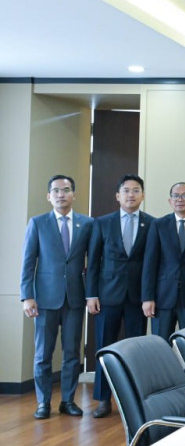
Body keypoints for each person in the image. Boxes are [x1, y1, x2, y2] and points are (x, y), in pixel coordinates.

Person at [20, 175, 94, 420]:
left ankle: (68, 401)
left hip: (75, 298)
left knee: (72, 353)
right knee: (43, 354)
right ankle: (43, 403)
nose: (61, 194)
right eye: (56, 191)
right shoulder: (38, 223)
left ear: (74, 194)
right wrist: (27, 296)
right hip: (44, 299)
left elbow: (93, 263)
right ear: (48, 196)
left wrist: (91, 293)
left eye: (66, 190)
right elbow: (28, 262)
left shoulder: (87, 224)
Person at [87, 174, 153, 418]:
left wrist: (149, 296)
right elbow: (93, 262)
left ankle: (135, 400)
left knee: (136, 350)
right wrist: (91, 294)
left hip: (138, 298)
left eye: (136, 190)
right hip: (107, 296)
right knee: (105, 348)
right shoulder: (102, 223)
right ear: (118, 196)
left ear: (142, 195)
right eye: (126, 190)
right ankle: (103, 399)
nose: (131, 194)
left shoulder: (151, 224)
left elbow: (152, 263)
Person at [141, 182, 185, 342]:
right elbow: (150, 263)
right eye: (175, 196)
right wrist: (147, 298)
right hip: (162, 297)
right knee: (160, 344)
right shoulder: (158, 225)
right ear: (170, 200)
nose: (180, 199)